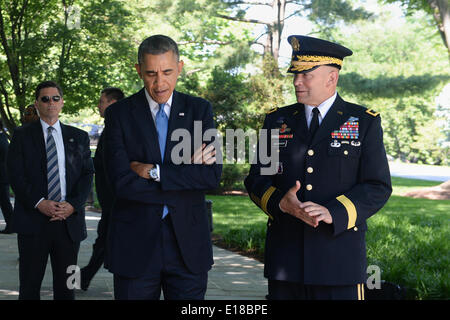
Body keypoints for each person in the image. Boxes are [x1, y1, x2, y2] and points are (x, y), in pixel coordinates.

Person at [244, 35, 392, 300]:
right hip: (285, 261)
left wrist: (333, 211)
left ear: (331, 78)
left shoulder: (363, 121)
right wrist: (281, 202)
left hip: (339, 261)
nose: (296, 82)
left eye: (306, 75)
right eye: (295, 75)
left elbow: (377, 186)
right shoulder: (277, 120)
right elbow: (256, 179)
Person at [103, 34, 222, 300]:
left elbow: (211, 176)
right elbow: (120, 183)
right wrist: (185, 173)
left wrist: (154, 172)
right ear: (138, 71)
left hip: (188, 246)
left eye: (167, 72)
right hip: (134, 244)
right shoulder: (119, 114)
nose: (159, 83)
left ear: (180, 67)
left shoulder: (199, 110)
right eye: (151, 73)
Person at [7, 81, 94, 300]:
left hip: (68, 223)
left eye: (55, 98)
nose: (50, 103)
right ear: (37, 104)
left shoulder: (79, 137)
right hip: (33, 222)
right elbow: (16, 176)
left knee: (67, 288)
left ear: (62, 102)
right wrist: (39, 203)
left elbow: (86, 176)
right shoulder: (21, 136)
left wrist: (73, 205)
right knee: (29, 286)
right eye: (45, 99)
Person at [80, 87, 124, 291]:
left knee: (106, 241)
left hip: (118, 201)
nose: (99, 105)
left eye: (102, 101)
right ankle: (84, 277)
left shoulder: (119, 127)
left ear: (113, 104)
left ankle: (84, 277)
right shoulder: (111, 126)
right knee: (104, 240)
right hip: (110, 201)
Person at [0, 122, 13, 234]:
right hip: (3, 176)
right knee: (4, 202)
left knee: (5, 202)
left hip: (2, 177)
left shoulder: (1, 139)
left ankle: (11, 225)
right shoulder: (2, 138)